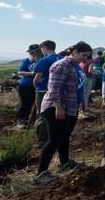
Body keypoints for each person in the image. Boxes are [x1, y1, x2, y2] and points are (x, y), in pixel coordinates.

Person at [33, 41, 93, 185]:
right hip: (56, 108)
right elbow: (54, 89)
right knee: (54, 140)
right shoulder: (61, 65)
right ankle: (40, 173)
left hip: (70, 107)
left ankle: (64, 162)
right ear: (75, 52)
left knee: (64, 137)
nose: (85, 59)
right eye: (83, 55)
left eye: (87, 56)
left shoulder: (74, 66)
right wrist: (58, 108)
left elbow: (74, 87)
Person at [33, 40, 62, 147]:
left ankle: (42, 140)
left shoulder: (43, 60)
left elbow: (37, 79)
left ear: (44, 47)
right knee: (54, 114)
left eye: (41, 49)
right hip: (58, 91)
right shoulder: (61, 59)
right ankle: (54, 137)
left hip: (43, 91)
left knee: (42, 115)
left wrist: (34, 86)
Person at [16, 44, 42, 128]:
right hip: (25, 86)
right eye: (32, 52)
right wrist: (32, 73)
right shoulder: (26, 61)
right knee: (25, 104)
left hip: (37, 86)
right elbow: (20, 73)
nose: (34, 53)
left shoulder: (41, 60)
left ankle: (30, 121)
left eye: (36, 51)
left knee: (35, 104)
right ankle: (21, 120)